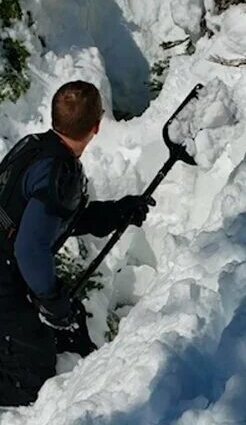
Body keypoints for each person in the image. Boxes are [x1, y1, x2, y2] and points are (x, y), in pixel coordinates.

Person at [0, 81, 155, 406]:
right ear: (97, 127)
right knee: (28, 380)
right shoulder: (60, 172)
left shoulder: (34, 146)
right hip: (6, 275)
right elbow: (29, 249)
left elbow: (56, 221)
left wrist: (118, 211)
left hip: (10, 266)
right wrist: (51, 299)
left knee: (70, 332)